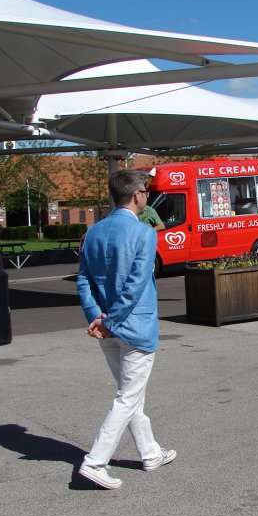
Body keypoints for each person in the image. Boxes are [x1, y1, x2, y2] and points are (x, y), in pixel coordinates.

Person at [76, 170, 176, 489]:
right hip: (133, 326)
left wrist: (97, 316)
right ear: (136, 196)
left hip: (107, 327)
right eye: (145, 191)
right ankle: (95, 461)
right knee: (128, 396)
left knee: (131, 395)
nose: (146, 195)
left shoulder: (93, 233)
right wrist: (108, 320)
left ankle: (150, 452)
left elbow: (83, 279)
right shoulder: (145, 234)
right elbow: (134, 286)